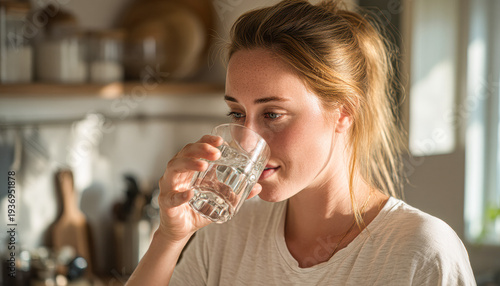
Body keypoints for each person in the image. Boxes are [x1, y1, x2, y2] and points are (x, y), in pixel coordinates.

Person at [126, 0, 475, 285]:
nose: (248, 142)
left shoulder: (421, 253)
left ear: (343, 112)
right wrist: (170, 238)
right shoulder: (228, 235)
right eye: (237, 115)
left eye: (273, 114)